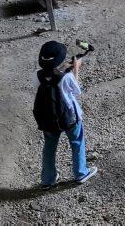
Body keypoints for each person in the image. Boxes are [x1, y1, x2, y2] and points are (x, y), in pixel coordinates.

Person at [35, 41, 97, 187]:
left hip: (47, 119)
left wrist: (61, 69)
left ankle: (47, 180)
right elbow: (76, 91)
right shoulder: (66, 77)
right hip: (69, 117)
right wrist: (75, 69)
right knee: (77, 142)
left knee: (49, 148)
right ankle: (81, 173)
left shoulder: (37, 75)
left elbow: (48, 81)